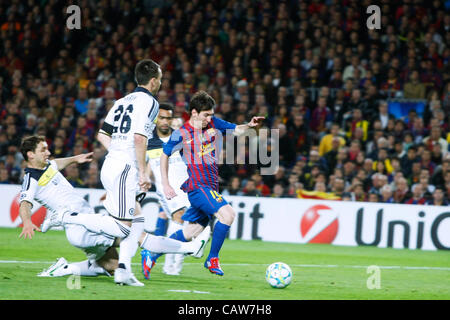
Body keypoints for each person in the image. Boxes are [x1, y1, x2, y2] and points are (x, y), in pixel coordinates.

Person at [96, 59, 210, 286]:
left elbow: (102, 134)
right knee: (124, 226)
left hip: (112, 165)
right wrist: (141, 172)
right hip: (125, 169)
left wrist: (118, 151)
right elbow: (140, 138)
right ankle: (72, 221)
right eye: (161, 78)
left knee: (135, 222)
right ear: (154, 80)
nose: (161, 82)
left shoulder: (121, 101)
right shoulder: (150, 102)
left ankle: (124, 269)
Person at [160, 91, 264, 276]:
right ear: (193, 112)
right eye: (205, 114)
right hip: (198, 186)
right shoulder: (181, 133)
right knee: (228, 214)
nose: (209, 118)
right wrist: (166, 184)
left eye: (211, 114)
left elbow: (237, 129)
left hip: (210, 186)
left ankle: (152, 252)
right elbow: (164, 155)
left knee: (191, 231)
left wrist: (249, 125)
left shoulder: (215, 124)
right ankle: (212, 259)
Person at [18, 135, 118, 278]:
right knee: (123, 235)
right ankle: (150, 244)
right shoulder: (31, 179)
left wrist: (76, 159)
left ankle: (66, 268)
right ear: (31, 154)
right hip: (78, 224)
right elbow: (24, 203)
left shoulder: (48, 166)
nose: (48, 152)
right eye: (43, 150)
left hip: (86, 215)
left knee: (114, 267)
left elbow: (57, 163)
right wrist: (27, 222)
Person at [140, 102, 191, 278]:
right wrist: (145, 177)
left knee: (190, 228)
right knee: (179, 217)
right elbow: (148, 165)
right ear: (155, 119)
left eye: (168, 118)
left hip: (186, 188)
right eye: (161, 118)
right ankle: (169, 267)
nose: (165, 122)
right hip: (166, 189)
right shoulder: (148, 141)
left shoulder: (179, 139)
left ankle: (159, 258)